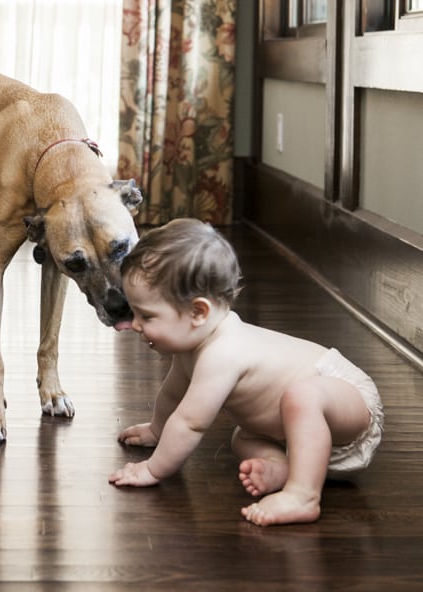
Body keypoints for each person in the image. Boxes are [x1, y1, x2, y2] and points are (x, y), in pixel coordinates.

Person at [108, 219, 384, 527]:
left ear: (198, 312)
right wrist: (158, 430)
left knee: (302, 395)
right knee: (243, 437)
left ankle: (303, 495)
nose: (135, 325)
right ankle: (283, 465)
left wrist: (152, 469)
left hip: (348, 399)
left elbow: (189, 423)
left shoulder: (222, 352)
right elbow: (173, 394)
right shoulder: (194, 346)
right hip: (292, 435)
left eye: (147, 316)